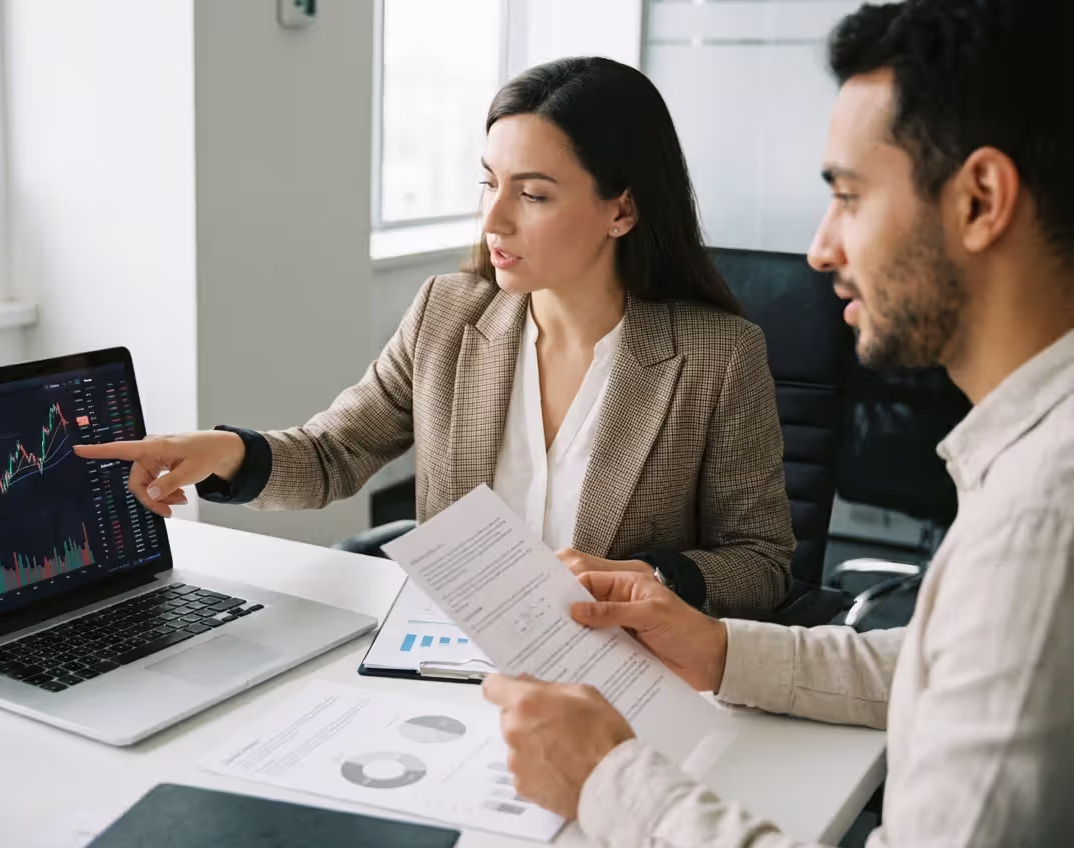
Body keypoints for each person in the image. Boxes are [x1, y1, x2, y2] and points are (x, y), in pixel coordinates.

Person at [482, 1, 1074, 845]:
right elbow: (950, 666)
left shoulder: (1040, 523)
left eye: (849, 197)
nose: (821, 248)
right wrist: (721, 650)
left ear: (980, 200)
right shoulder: (1034, 457)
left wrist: (608, 779)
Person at [76, 57, 796, 615]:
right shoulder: (448, 314)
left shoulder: (716, 358)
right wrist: (225, 453)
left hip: (615, 673)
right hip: (448, 658)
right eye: (490, 184)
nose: (494, 221)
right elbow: (336, 452)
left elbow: (761, 562)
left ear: (623, 211)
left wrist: (646, 578)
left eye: (534, 194)